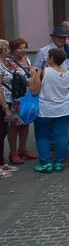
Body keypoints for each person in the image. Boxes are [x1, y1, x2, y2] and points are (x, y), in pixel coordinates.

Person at [31, 48, 69, 174]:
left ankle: (46, 163)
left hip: (46, 110)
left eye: (49, 57)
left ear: (52, 59)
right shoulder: (67, 73)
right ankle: (59, 162)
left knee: (42, 136)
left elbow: (35, 91)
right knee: (61, 136)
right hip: (64, 108)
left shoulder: (44, 72)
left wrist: (34, 76)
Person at [2, 38, 36, 164]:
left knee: (25, 123)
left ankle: (23, 149)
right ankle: (13, 152)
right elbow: (11, 78)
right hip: (14, 96)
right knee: (14, 126)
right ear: (12, 49)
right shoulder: (8, 61)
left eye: (25, 47)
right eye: (20, 48)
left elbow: (30, 76)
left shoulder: (27, 59)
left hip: (26, 96)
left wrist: (32, 77)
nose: (23, 50)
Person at [0, 40, 12, 174]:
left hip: (8, 99)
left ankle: (2, 162)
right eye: (7, 47)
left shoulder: (6, 63)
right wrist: (5, 107)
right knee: (0, 132)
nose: (9, 50)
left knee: (3, 132)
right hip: (2, 102)